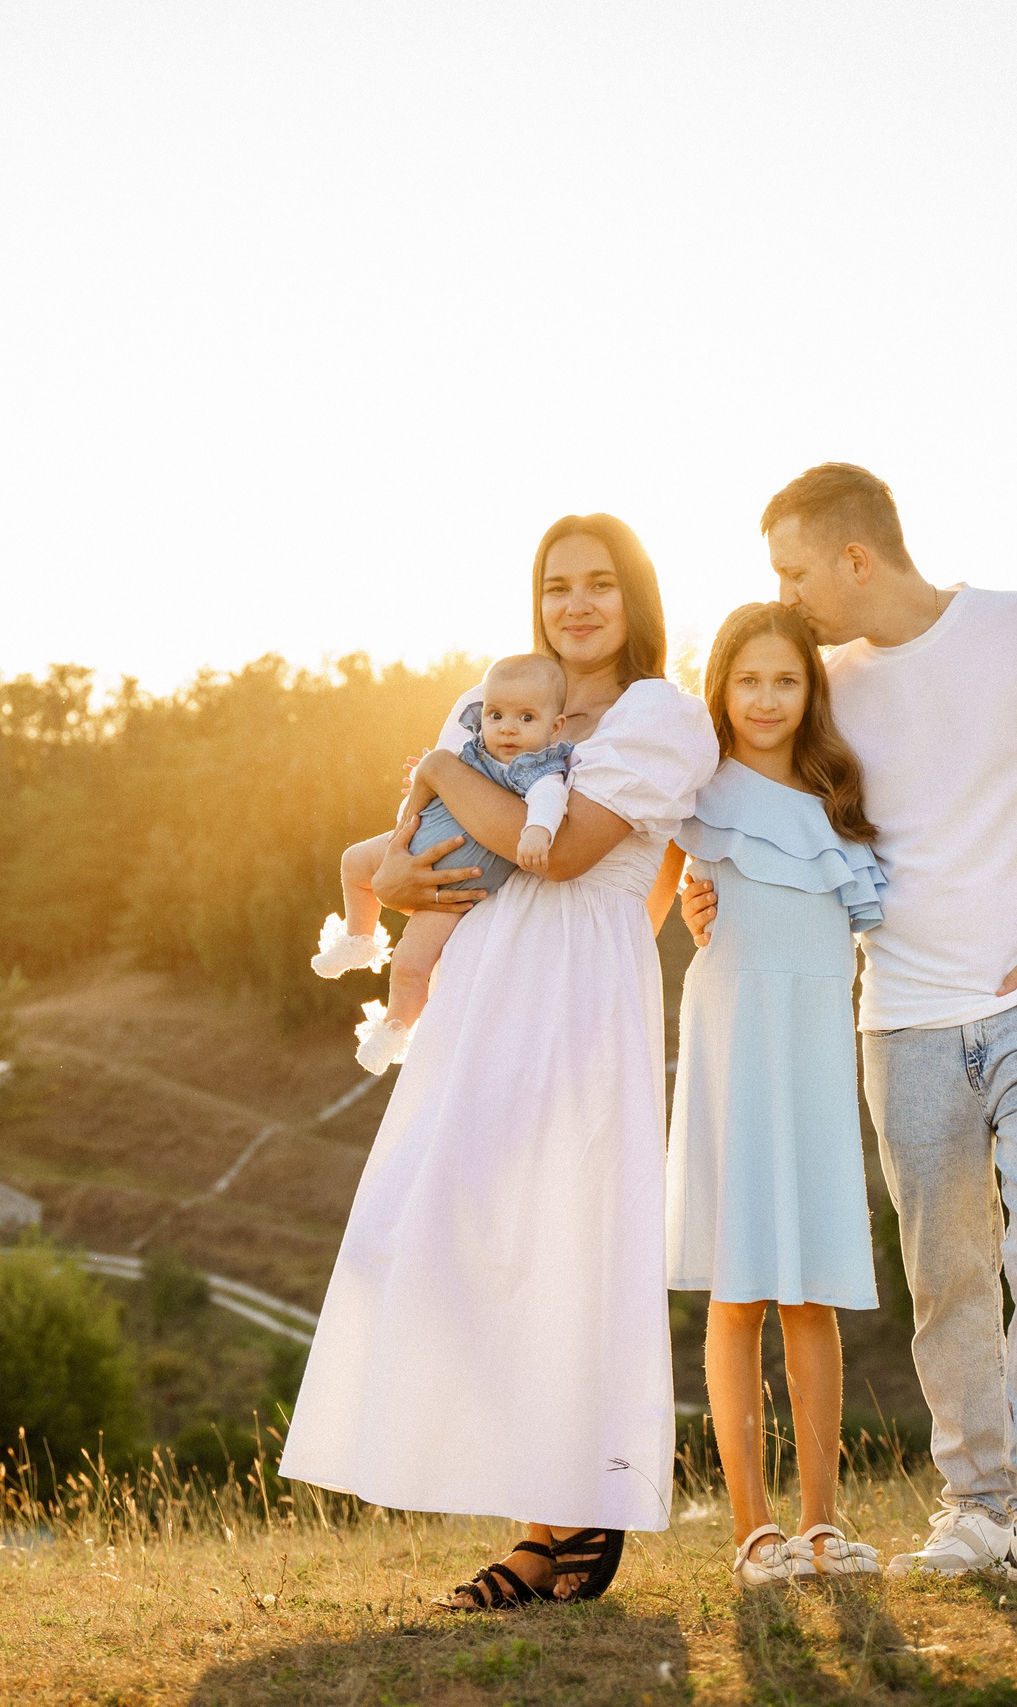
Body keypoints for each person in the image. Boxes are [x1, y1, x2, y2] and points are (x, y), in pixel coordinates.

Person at [683, 464, 1017, 1593]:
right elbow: (750, 784)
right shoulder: (825, 682)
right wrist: (705, 882)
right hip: (899, 1017)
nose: (786, 592)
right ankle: (972, 1507)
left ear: (855, 559)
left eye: (793, 570)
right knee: (944, 1270)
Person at [279, 513, 718, 1610]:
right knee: (446, 1236)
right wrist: (412, 872)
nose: (576, 605)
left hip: (579, 993)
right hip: (480, 984)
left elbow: (561, 854)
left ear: (636, 600)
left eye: (599, 586)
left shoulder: (657, 713)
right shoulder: (492, 700)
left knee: (562, 1239)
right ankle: (531, 1493)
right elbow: (421, 853)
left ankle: (566, 1524)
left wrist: (441, 765)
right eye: (556, 584)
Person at [667, 602, 887, 1586]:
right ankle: (753, 1529)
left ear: (811, 692)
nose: (765, 700)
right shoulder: (694, 789)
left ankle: (824, 1523)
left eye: (785, 682)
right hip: (729, 1029)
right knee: (739, 1283)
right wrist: (685, 897)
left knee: (810, 1286)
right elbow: (652, 889)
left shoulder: (839, 797)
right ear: (719, 688)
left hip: (810, 1038)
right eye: (747, 681)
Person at [311, 652, 577, 1073]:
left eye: (526, 718)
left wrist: (536, 832)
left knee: (412, 964)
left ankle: (393, 1030)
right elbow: (436, 769)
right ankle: (358, 939)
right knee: (353, 862)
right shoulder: (472, 748)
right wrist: (408, 816)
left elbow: (549, 801)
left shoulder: (538, 771)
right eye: (495, 715)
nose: (507, 727)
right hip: (417, 837)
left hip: (455, 889)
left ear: (555, 726)